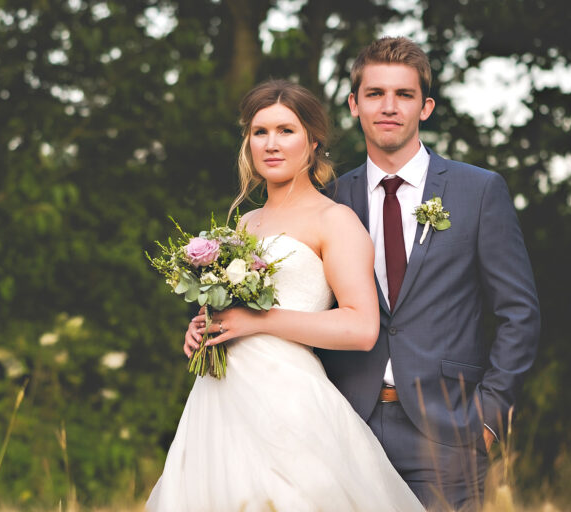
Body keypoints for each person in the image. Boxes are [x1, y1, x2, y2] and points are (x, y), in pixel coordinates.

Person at [147, 80, 424, 512]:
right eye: (260, 132)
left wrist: (261, 321)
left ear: (313, 142)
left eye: (286, 131)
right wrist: (203, 327)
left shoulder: (335, 220)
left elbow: (361, 326)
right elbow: (229, 311)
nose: (271, 144)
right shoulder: (242, 224)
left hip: (288, 401)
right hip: (218, 400)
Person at [316, 37, 541, 510]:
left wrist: (489, 415)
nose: (389, 107)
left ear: (426, 106)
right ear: (355, 105)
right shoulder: (329, 199)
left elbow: (518, 312)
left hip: (450, 431)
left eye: (404, 94)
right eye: (375, 94)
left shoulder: (477, 191)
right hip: (344, 423)